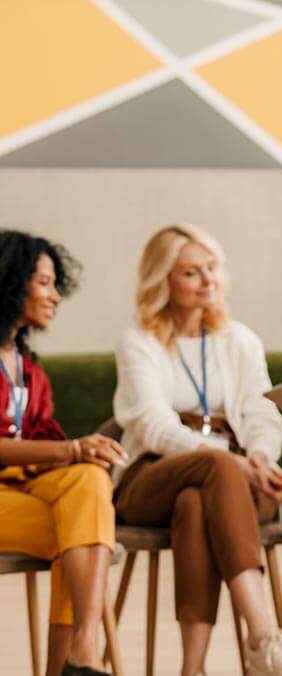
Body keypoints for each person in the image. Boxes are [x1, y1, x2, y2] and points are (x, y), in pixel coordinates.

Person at [113, 224, 282, 676]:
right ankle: (263, 635)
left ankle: (192, 668)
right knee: (210, 468)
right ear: (162, 279)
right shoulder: (138, 341)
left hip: (233, 481)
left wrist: (259, 457)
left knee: (195, 503)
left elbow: (262, 414)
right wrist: (229, 461)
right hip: (153, 475)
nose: (208, 281)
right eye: (191, 273)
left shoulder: (239, 339)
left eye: (212, 269)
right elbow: (152, 423)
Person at [0, 230, 127, 676]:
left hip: (20, 498)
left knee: (87, 496)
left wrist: (87, 451)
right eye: (44, 282)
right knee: (85, 534)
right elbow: (50, 450)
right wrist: (71, 449)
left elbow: (46, 447)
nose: (55, 295)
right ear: (11, 281)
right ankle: (78, 661)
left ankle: (83, 651)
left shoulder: (30, 370)